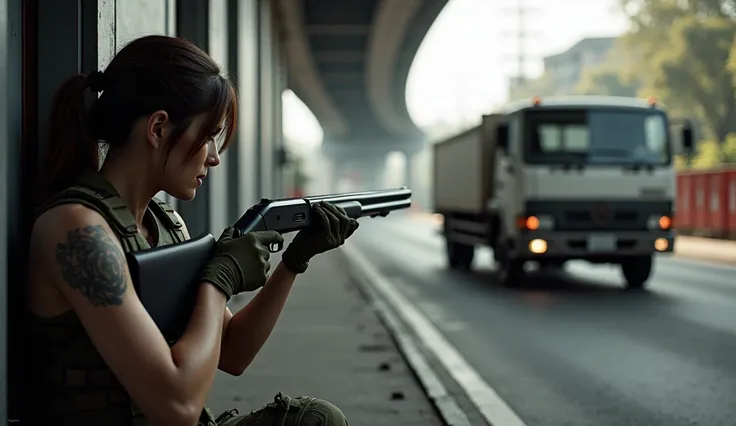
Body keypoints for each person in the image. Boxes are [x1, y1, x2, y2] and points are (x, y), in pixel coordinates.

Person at [25, 34, 359, 426]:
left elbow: (232, 353)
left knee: (316, 419)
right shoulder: (76, 229)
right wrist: (218, 282)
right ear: (159, 128)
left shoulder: (166, 223)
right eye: (209, 135)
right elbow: (178, 408)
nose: (215, 157)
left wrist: (294, 260)